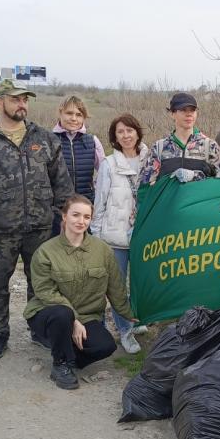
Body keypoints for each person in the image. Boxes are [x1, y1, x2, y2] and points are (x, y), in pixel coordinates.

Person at [0, 79, 74, 361]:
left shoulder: (45, 139)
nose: (22, 104)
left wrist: (65, 220)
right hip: (0, 229)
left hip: (40, 226)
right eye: (15, 99)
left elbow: (61, 183)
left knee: (40, 283)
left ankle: (39, 330)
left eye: (25, 99)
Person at [25, 195, 137, 390]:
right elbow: (45, 292)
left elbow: (115, 288)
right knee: (63, 314)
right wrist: (74, 320)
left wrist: (132, 315)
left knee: (106, 346)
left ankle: (68, 354)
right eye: (76, 215)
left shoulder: (102, 250)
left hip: (87, 317)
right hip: (49, 313)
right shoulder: (45, 252)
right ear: (64, 216)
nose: (81, 221)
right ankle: (61, 365)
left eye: (86, 217)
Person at [91, 114, 150, 354]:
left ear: (137, 132)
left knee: (140, 284)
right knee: (116, 286)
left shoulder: (151, 160)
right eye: (120, 132)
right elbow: (100, 200)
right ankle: (124, 330)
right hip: (115, 236)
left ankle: (137, 322)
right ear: (114, 137)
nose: (126, 135)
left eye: (129, 130)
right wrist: (96, 233)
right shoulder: (108, 164)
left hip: (145, 234)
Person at [139, 92, 220, 186]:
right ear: (172, 114)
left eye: (192, 110)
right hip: (170, 200)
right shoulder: (159, 148)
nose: (189, 114)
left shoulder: (209, 146)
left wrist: (196, 176)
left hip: (200, 200)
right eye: (183, 110)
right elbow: (145, 186)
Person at [50, 95, 105, 237]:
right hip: (56, 212)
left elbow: (105, 174)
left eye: (79, 115)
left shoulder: (92, 141)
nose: (74, 119)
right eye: (69, 113)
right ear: (60, 113)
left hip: (85, 210)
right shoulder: (48, 140)